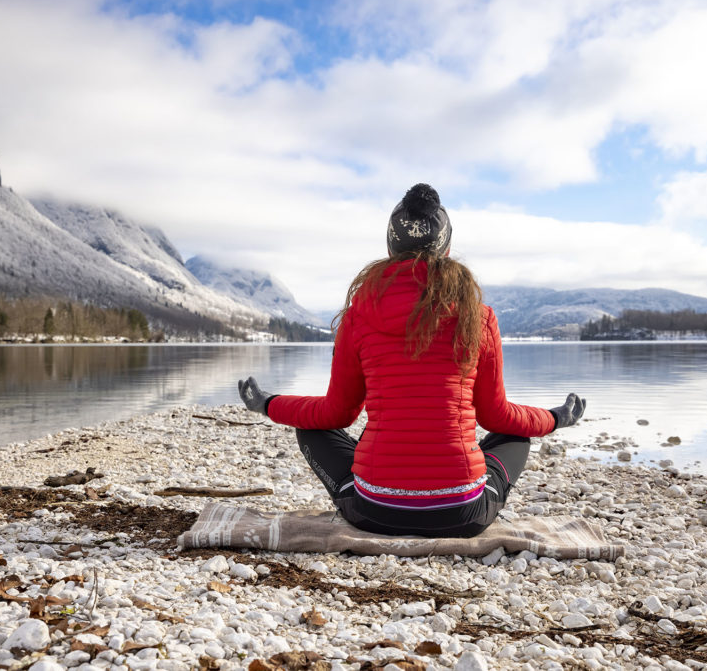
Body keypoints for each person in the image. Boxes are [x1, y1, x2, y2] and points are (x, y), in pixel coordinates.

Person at [239, 183, 585, 538]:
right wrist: (555, 418)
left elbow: (336, 414)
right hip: (463, 513)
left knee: (312, 429)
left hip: (375, 511)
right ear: (447, 248)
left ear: (391, 246)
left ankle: (378, 484)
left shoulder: (359, 315)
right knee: (516, 435)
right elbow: (495, 416)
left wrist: (269, 404)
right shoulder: (478, 316)